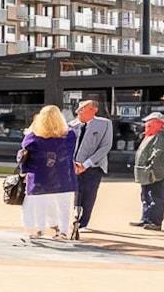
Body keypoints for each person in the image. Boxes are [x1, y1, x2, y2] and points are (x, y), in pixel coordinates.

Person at [17, 104, 77, 243]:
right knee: (63, 206)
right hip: (63, 176)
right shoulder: (69, 136)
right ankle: (63, 231)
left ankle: (37, 229)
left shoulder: (33, 137)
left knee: (37, 204)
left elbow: (25, 149)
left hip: (39, 176)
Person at [70, 98, 113, 237]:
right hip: (74, 166)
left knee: (89, 194)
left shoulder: (105, 124)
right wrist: (73, 163)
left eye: (84, 108)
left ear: (94, 110)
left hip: (94, 166)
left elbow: (105, 146)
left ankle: (84, 222)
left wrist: (86, 164)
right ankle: (75, 219)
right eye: (79, 108)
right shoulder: (71, 125)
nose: (80, 111)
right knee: (76, 193)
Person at [132, 112, 164, 231]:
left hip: (155, 173)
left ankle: (155, 222)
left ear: (158, 123)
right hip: (146, 172)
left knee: (155, 196)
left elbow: (159, 155)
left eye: (149, 123)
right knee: (145, 196)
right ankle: (146, 218)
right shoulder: (150, 134)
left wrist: (152, 171)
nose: (146, 125)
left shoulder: (162, 136)